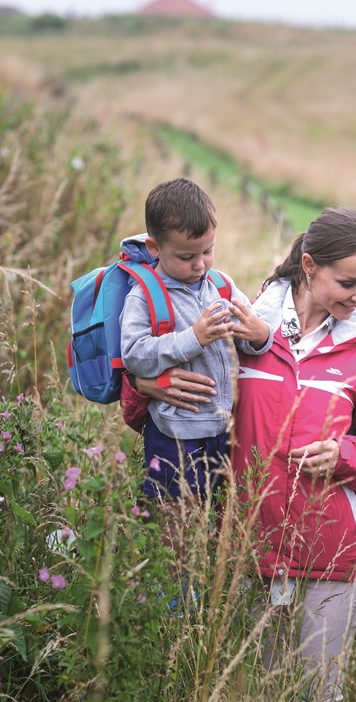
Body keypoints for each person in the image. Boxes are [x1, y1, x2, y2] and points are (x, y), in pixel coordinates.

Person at [128, 207, 356, 702]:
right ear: (308, 265)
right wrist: (146, 387)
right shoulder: (240, 323)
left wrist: (344, 455)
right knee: (261, 698)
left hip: (334, 550)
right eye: (348, 282)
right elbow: (157, 399)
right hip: (251, 548)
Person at [119, 177, 272, 510]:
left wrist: (261, 336)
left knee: (216, 515)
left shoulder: (220, 285)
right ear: (155, 247)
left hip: (221, 428)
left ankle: (205, 564)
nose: (200, 264)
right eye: (186, 256)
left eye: (208, 250)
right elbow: (134, 356)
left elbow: (248, 337)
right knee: (177, 521)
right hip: (174, 432)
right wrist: (194, 338)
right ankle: (174, 565)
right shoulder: (145, 296)